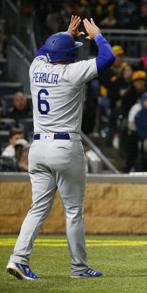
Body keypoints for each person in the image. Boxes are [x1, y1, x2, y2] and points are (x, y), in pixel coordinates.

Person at [6, 15, 115, 280]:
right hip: (65, 147)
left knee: (38, 208)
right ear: (66, 56)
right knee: (73, 210)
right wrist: (97, 35)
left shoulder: (35, 67)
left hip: (38, 147)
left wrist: (66, 35)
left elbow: (45, 50)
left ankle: (18, 259)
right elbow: (108, 58)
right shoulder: (71, 73)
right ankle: (78, 268)